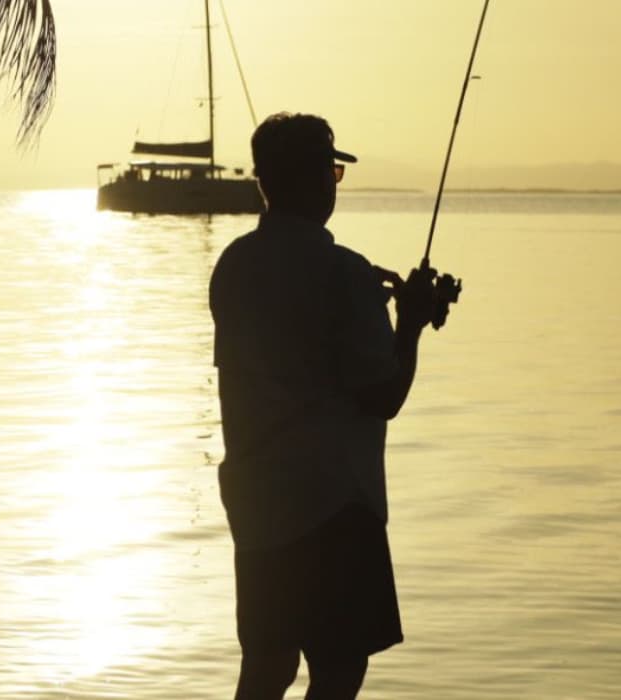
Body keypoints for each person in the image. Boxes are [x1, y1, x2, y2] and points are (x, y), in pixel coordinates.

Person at [209, 112, 441, 700]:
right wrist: (409, 324)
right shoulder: (345, 274)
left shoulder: (233, 267)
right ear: (316, 179)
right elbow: (383, 395)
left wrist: (374, 300)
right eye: (333, 170)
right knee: (338, 672)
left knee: (267, 666)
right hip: (335, 505)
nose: (335, 183)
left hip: (257, 503)